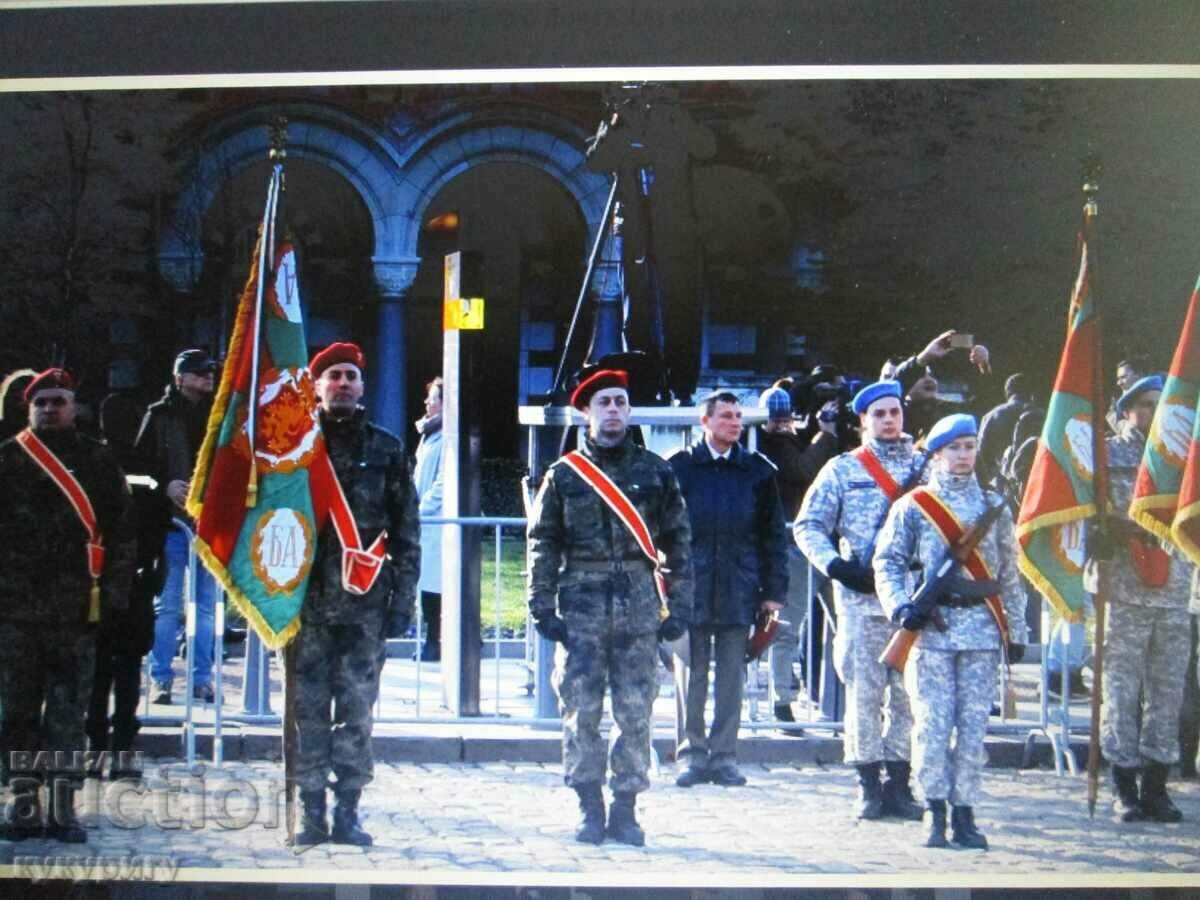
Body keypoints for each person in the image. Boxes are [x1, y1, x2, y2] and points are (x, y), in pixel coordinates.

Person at [526, 368, 692, 846]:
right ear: (586, 413)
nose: (614, 410)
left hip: (639, 608)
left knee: (636, 712)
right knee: (580, 712)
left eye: (621, 401)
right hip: (580, 607)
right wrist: (541, 605)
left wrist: (677, 604)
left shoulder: (655, 472)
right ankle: (588, 806)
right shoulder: (563, 476)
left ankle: (625, 808)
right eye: (605, 403)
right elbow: (543, 543)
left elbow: (679, 542)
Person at [874, 413, 1028, 849]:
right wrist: (901, 606)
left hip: (981, 628)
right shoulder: (915, 505)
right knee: (932, 726)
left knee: (974, 727)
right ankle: (934, 810)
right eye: (955, 448)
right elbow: (887, 561)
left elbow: (1010, 574)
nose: (963, 456)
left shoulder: (994, 507)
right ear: (937, 454)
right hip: (932, 631)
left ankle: (965, 812)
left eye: (970, 447)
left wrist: (1016, 630)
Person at [290, 342, 421, 847]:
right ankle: (310, 812)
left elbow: (406, 531)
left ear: (363, 387)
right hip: (305, 606)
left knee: (357, 712)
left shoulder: (386, 448)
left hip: (366, 606)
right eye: (332, 376)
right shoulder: (295, 447)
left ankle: (348, 810)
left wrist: (403, 602)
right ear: (316, 386)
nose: (342, 383)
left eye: (350, 376)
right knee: (307, 713)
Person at [0, 369, 135, 841]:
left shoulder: (97, 462)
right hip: (14, 612)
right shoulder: (8, 460)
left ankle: (61, 807)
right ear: (28, 408)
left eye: (58, 401)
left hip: (77, 610)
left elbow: (121, 533)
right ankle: (22, 803)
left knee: (66, 714)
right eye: (42, 403)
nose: (50, 409)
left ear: (74, 406)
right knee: (16, 713)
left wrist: (114, 595)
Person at [795, 379, 925, 821]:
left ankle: (900, 783)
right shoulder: (842, 470)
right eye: (879, 414)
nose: (889, 421)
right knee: (864, 696)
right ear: (863, 421)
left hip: (912, 597)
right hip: (859, 598)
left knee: (908, 698)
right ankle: (868, 783)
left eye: (895, 412)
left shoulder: (928, 467)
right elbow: (808, 525)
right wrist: (834, 565)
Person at [670, 391, 788, 786]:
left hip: (741, 586)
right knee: (692, 674)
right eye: (725, 416)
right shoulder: (680, 468)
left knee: (732, 678)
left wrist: (773, 592)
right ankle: (691, 754)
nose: (735, 423)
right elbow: (662, 531)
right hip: (692, 587)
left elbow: (773, 536)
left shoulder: (757, 471)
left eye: (738, 416)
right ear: (705, 422)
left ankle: (723, 757)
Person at [1096, 373, 1193, 823]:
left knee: (1167, 693)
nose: (1155, 413)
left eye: (1161, 404)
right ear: (1127, 410)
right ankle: (1123, 785)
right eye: (1146, 405)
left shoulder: (1184, 459)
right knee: (1120, 691)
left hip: (1174, 590)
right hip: (1123, 590)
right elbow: (1086, 518)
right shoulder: (1106, 455)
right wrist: (1097, 536)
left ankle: (1157, 786)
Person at [86, 393, 165, 781]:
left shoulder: (98, 463)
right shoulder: (110, 465)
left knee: (110, 669)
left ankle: (106, 749)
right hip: (117, 579)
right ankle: (112, 749)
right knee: (116, 669)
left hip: (116, 580)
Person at [136, 348, 220, 705]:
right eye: (199, 373)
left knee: (206, 608)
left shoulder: (221, 418)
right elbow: (137, 471)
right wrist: (163, 486)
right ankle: (161, 679)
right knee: (168, 606)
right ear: (179, 377)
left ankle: (202, 679)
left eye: (209, 373)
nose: (207, 378)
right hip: (170, 524)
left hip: (213, 525)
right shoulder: (158, 416)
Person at [757, 383, 837, 730]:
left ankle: (795, 702)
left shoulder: (780, 441)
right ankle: (782, 703)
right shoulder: (776, 445)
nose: (783, 423)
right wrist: (826, 436)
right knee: (788, 629)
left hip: (815, 544)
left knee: (837, 625)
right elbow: (802, 470)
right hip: (798, 546)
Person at [413, 376, 445, 662]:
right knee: (428, 584)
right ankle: (431, 639)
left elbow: (443, 484)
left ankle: (435, 641)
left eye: (432, 399)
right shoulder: (429, 434)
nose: (427, 403)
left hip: (437, 522)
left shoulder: (447, 437)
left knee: (436, 585)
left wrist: (420, 509)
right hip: (427, 522)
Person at [976, 373, 1036, 487]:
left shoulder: (992, 415)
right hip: (1034, 479)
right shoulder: (1042, 415)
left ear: (1007, 393)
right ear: (1031, 393)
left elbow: (982, 453)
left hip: (1003, 482)